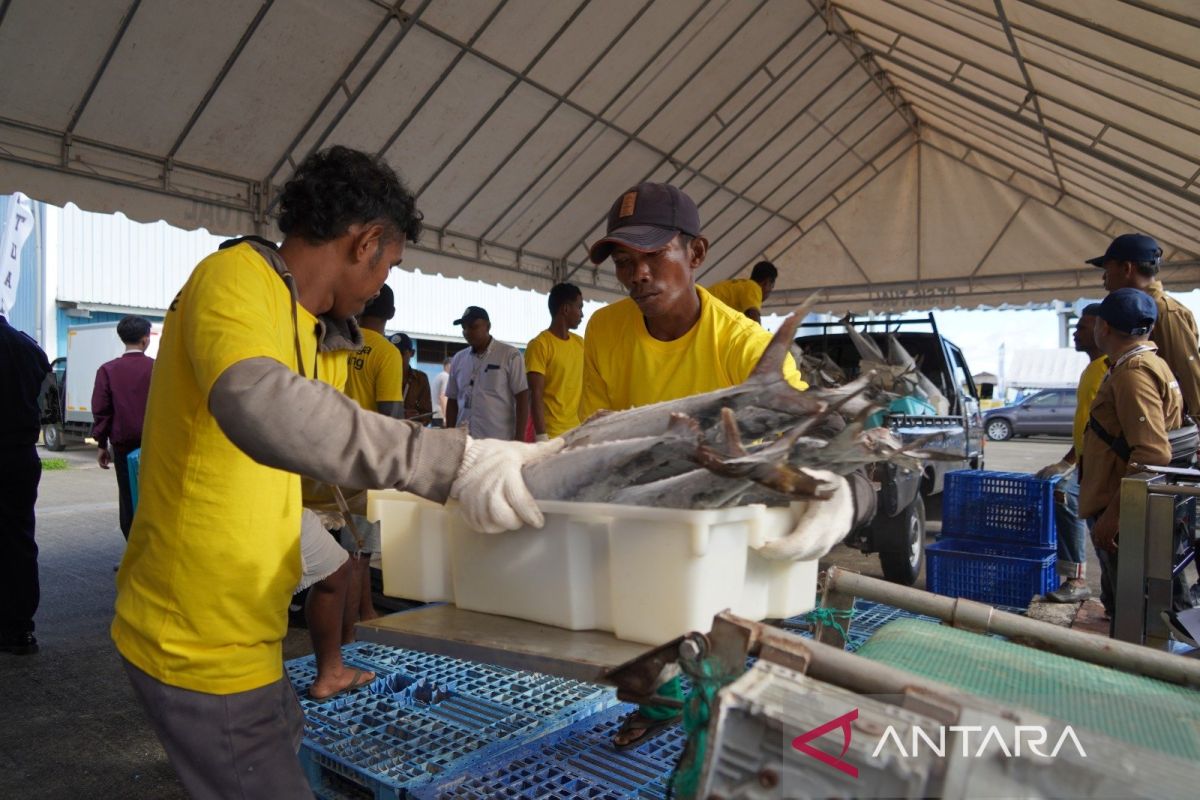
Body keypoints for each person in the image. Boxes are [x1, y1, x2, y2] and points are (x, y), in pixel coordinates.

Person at [111, 145, 561, 798]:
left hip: (247, 628)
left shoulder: (306, 324)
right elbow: (259, 403)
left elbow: (306, 440)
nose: (383, 287)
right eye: (390, 265)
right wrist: (453, 463)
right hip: (198, 641)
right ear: (367, 242)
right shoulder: (237, 276)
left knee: (287, 736)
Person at [582, 182, 862, 749]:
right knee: (639, 629)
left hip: (731, 517)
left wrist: (844, 489)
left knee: (734, 645)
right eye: (624, 262)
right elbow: (595, 439)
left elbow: (808, 439)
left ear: (697, 254)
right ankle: (663, 703)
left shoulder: (744, 346)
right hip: (646, 504)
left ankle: (734, 712)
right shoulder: (606, 331)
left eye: (654, 256)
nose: (638, 274)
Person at [1078, 289, 1185, 628]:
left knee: (1136, 613)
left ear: (1104, 327)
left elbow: (1153, 451)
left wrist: (1114, 516)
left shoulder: (1132, 373)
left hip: (1124, 512)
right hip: (1129, 508)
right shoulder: (1147, 364)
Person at [1036, 304, 1105, 604]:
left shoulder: (1107, 367)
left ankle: (1077, 579)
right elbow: (1088, 423)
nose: (1075, 332)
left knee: (1065, 495)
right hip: (1087, 459)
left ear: (1104, 329)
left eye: (1083, 327)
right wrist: (1068, 460)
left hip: (1102, 463)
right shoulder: (1092, 368)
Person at [1090, 233, 1200, 416]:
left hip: (1162, 429)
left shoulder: (1164, 311)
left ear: (1126, 268)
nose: (1104, 279)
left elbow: (1187, 375)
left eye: (1107, 270)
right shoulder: (1144, 309)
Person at [0, 313, 50, 655]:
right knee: (19, 540)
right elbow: (48, 405)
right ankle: (19, 630)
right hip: (20, 456)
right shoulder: (29, 347)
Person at [91, 315, 155, 541]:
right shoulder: (159, 368)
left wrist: (101, 444)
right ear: (146, 340)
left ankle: (132, 553)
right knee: (156, 496)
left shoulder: (107, 370)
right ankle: (155, 554)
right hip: (156, 446)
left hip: (123, 446)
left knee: (128, 497)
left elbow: (102, 409)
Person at [445, 306, 530, 440]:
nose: (468, 332)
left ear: (488, 326)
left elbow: (522, 397)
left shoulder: (510, 355)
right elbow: (452, 400)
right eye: (464, 328)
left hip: (498, 442)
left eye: (473, 326)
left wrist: (519, 438)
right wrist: (449, 436)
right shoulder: (459, 359)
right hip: (465, 441)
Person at [526, 283, 585, 440]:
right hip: (552, 435)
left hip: (579, 431)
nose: (582, 314)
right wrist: (541, 437)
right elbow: (535, 395)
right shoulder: (539, 345)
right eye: (579, 307)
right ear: (565, 309)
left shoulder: (581, 344)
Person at [347, 284, 405, 418]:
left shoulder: (338, 340)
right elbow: (391, 416)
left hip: (331, 432)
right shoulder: (388, 353)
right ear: (391, 313)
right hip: (364, 436)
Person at [705, 260, 778, 322]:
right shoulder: (754, 287)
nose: (769, 294)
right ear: (766, 283)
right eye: (771, 289)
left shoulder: (741, 286)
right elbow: (754, 319)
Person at [390, 332, 433, 423]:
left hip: (409, 432)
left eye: (400, 353)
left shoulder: (421, 379)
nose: (395, 357)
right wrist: (400, 415)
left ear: (412, 353)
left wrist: (417, 418)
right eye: (391, 353)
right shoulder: (379, 375)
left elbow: (427, 414)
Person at [431, 356, 451, 427]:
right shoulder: (446, 376)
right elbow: (443, 397)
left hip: (435, 415)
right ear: (448, 365)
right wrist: (445, 417)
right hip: (440, 416)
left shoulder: (438, 376)